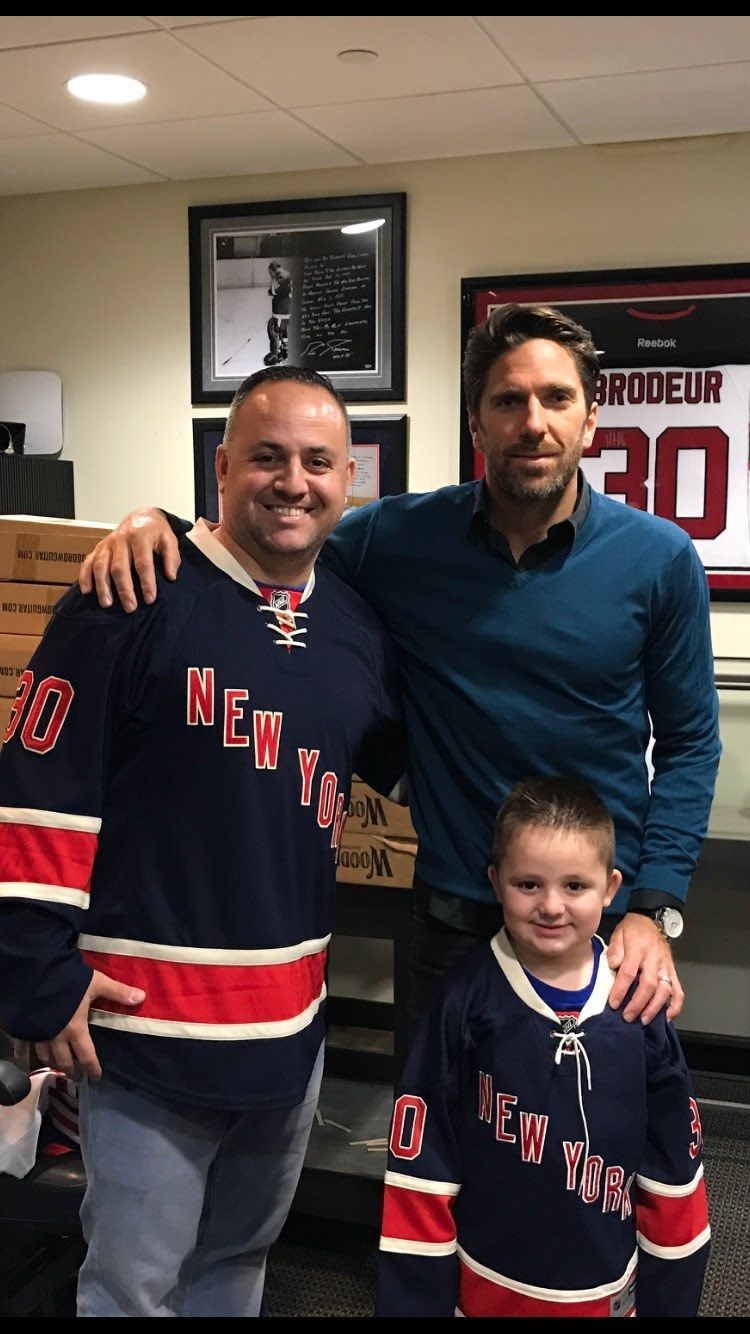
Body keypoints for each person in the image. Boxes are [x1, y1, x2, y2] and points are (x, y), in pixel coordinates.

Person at [76, 303, 722, 1054]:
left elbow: (689, 744)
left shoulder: (660, 559)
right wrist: (160, 525)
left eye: (556, 399)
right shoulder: (395, 539)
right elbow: (272, 544)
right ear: (477, 425)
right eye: (508, 401)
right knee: (437, 1147)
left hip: (599, 922)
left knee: (593, 1142)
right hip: (454, 918)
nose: (533, 423)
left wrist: (653, 907)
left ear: (590, 421)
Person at [0, 365, 403, 1317]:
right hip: (146, 1034)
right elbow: (35, 795)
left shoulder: (353, 628)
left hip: (290, 1033)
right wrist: (35, 972)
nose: (292, 481)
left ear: (350, 479)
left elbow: (413, 757)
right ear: (221, 467)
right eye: (266, 456)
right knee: (133, 1286)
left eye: (316, 462)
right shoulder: (130, 596)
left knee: (240, 1259)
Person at [377, 775, 710, 1318]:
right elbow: (422, 1170)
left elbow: (674, 1179)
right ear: (495, 881)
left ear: (610, 887)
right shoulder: (462, 1004)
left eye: (575, 886)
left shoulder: (638, 1008)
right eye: (528, 884)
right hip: (487, 1288)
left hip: (603, 1292)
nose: (552, 906)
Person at [264, 261, 292, 366]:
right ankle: (283, 353)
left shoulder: (281, 277)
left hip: (281, 310)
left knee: (275, 330)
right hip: (283, 309)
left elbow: (274, 291)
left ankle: (277, 354)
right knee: (281, 331)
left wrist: (272, 280)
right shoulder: (285, 275)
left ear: (272, 270)